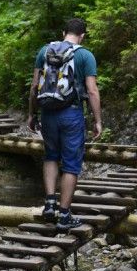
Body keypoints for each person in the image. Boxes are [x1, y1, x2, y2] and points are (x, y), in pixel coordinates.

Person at [27, 18, 102, 232]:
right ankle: (65, 215)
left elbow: (34, 87)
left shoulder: (44, 51)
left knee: (51, 155)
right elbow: (93, 90)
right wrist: (97, 121)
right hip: (72, 114)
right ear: (82, 35)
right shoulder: (85, 55)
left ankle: (50, 204)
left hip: (48, 113)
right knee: (70, 163)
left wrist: (32, 114)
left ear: (63, 32)